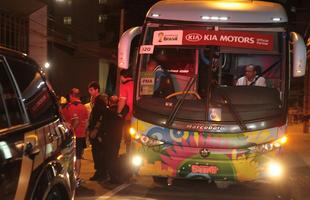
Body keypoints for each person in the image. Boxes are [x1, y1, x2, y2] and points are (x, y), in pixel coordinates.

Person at [62, 88, 89, 185]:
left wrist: (71, 129)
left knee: (68, 158)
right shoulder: (84, 107)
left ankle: (70, 178)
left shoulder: (67, 107)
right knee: (78, 157)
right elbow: (86, 123)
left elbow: (63, 122)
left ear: (70, 96)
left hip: (71, 137)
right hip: (81, 136)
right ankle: (77, 177)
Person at [87, 81, 109, 181]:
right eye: (89, 90)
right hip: (96, 130)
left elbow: (101, 116)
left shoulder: (100, 100)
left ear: (97, 90)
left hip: (98, 131)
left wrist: (95, 129)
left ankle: (101, 172)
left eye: (92, 90)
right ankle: (100, 172)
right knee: (96, 151)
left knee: (98, 151)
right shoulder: (96, 100)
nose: (90, 92)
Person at [117, 69, 133, 153]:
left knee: (128, 135)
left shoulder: (124, 85)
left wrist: (118, 112)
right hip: (137, 114)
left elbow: (122, 101)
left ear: (122, 76)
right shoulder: (135, 84)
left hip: (128, 115)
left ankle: (128, 153)